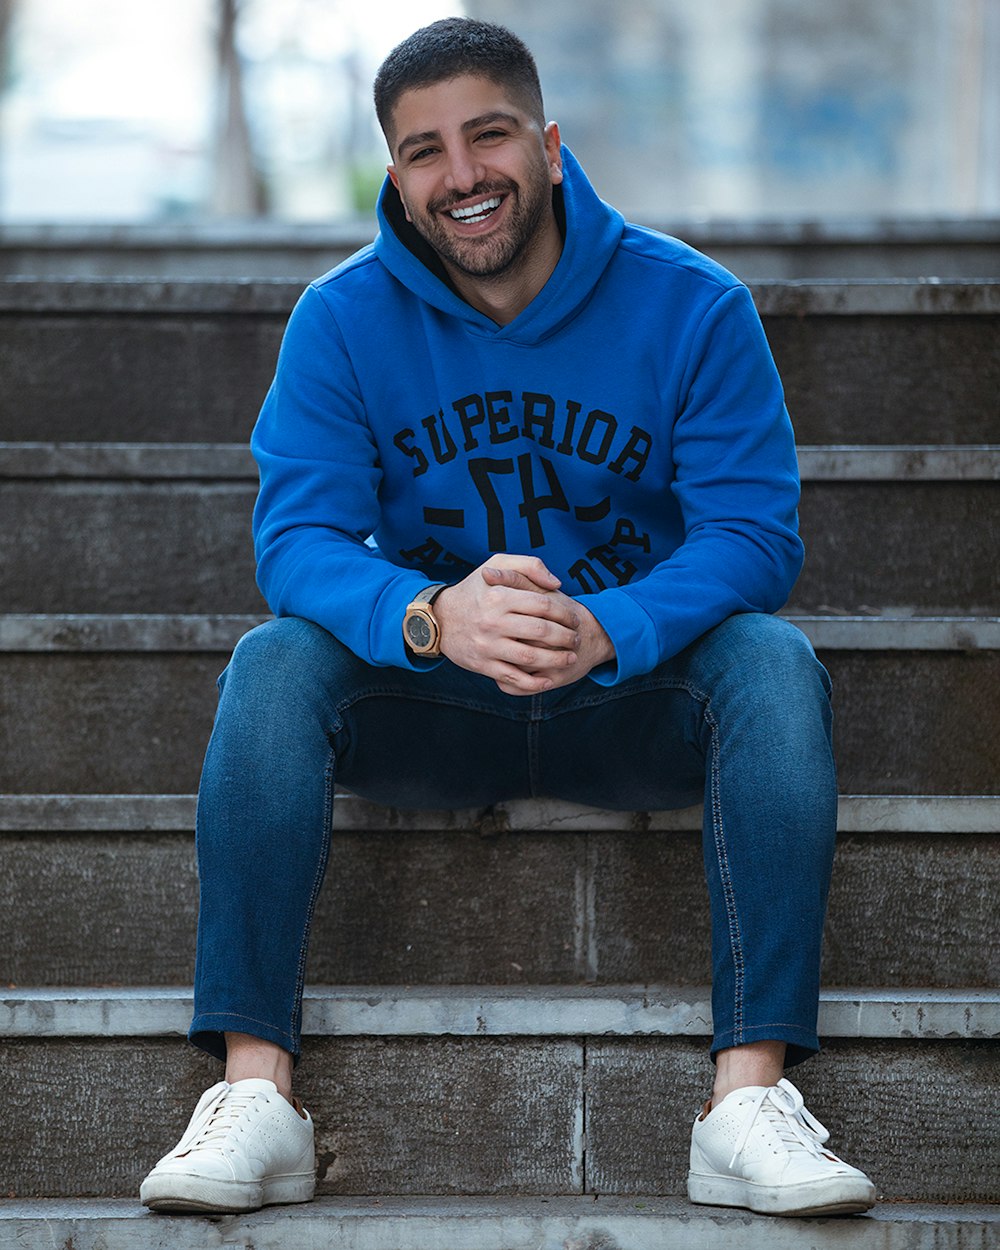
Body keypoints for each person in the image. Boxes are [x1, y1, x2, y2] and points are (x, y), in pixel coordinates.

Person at [140, 17, 876, 1219]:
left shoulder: (693, 306)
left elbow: (754, 533)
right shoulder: (339, 320)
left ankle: (744, 1099)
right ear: (394, 173)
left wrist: (611, 624)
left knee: (772, 663)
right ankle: (255, 1091)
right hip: (432, 704)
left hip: (629, 701)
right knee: (271, 664)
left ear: (546, 141)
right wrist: (428, 614)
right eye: (423, 150)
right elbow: (298, 541)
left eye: (488, 135)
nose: (461, 174)